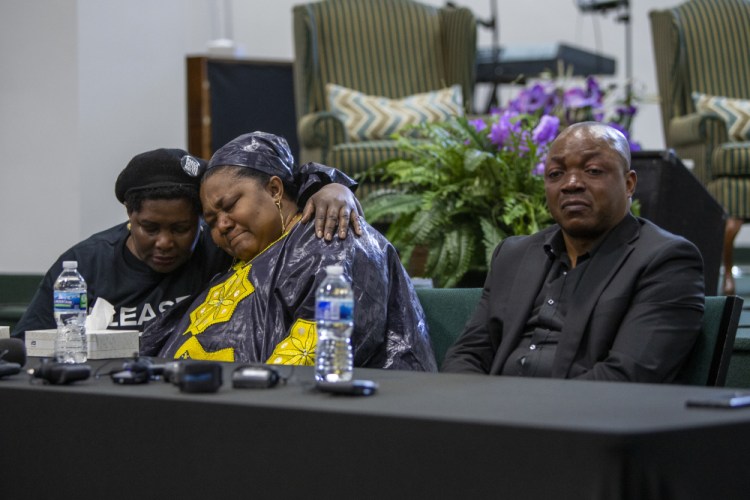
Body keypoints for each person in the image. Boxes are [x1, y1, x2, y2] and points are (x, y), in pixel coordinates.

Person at [140, 132, 437, 371]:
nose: (223, 225)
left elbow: (321, 350)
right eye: (211, 221)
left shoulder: (332, 235)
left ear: (274, 190)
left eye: (230, 206)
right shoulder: (240, 259)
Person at [442, 122, 705, 383]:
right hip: (490, 415)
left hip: (586, 420)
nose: (571, 183)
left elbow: (626, 378)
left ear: (629, 184)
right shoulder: (513, 255)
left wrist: (519, 411)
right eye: (556, 174)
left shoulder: (666, 261)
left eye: (592, 170)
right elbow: (467, 354)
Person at [13, 147, 362, 339]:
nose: (165, 242)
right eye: (149, 228)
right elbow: (27, 344)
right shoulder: (86, 264)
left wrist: (332, 187)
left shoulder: (223, 248)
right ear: (128, 217)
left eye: (182, 229)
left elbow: (276, 186)